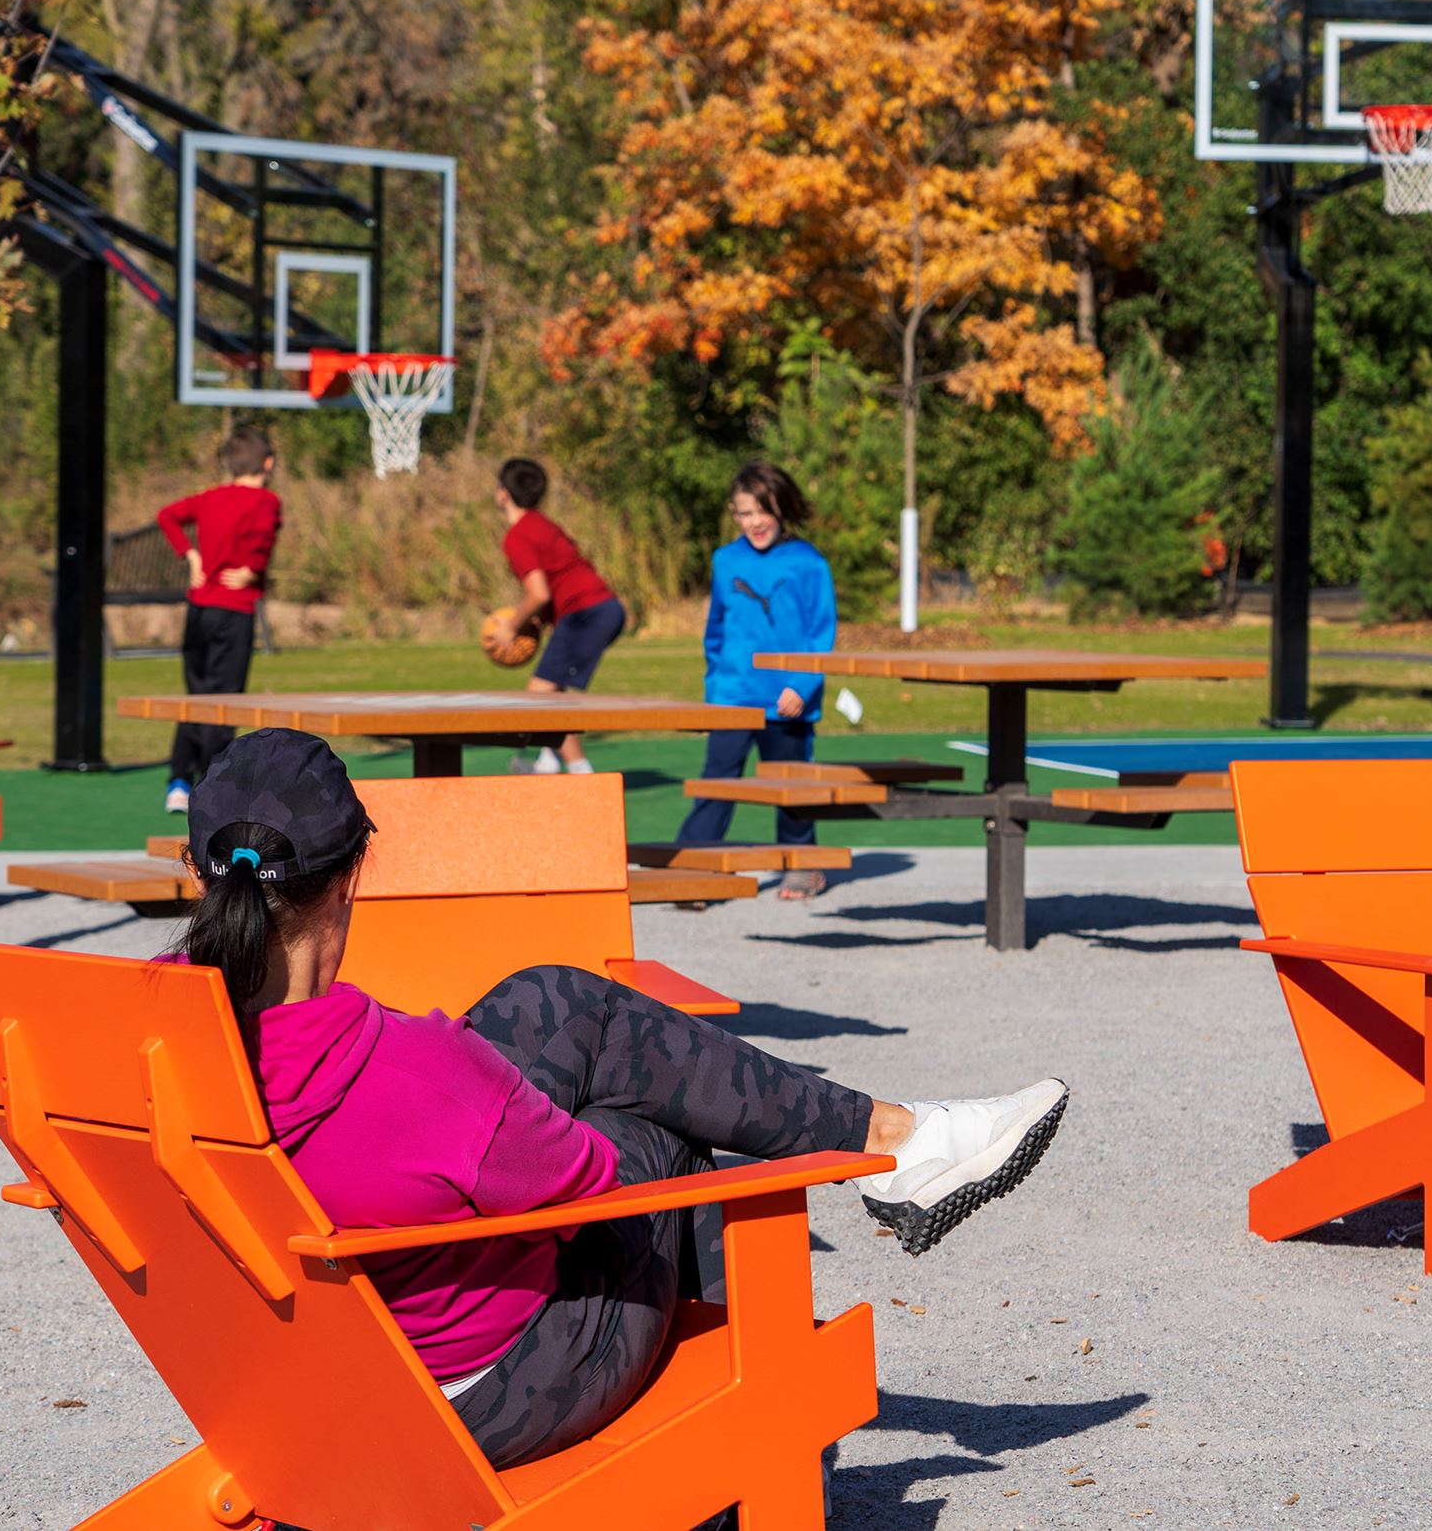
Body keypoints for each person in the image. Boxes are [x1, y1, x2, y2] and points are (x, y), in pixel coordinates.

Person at [168, 728, 1069, 1473]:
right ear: (349, 876)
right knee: (657, 1131)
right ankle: (765, 1459)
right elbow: (590, 1180)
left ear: (203, 872)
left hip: (292, 1370)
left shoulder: (142, 1031)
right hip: (472, 1395)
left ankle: (895, 1138)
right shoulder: (418, 1071)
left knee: (551, 1000)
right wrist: (506, 1102)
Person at [674, 461, 837, 898]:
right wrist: (716, 689)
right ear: (733, 512)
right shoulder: (725, 560)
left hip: (787, 699)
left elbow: (822, 632)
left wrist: (801, 687)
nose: (755, 522)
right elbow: (717, 631)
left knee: (792, 786)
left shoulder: (809, 563)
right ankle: (695, 870)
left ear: (781, 508)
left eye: (763, 511)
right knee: (717, 782)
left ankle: (803, 865)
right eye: (744, 513)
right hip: (733, 696)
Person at [156, 426, 281, 814]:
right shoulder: (265, 501)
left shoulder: (211, 497)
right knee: (223, 700)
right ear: (268, 463)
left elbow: (168, 516)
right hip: (233, 610)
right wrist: (252, 569)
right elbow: (262, 541)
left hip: (199, 609)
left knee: (196, 695)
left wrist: (190, 555)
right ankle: (214, 783)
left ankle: (179, 779)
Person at [488, 457, 625, 775]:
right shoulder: (542, 523)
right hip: (600, 608)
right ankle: (548, 761)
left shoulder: (518, 535)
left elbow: (539, 593)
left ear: (503, 494)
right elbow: (560, 577)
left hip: (588, 612)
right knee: (552, 692)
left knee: (540, 694)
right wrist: (540, 618)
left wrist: (512, 625)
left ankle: (581, 770)